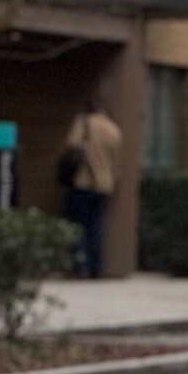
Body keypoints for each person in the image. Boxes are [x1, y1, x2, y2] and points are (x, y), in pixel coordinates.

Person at [63, 99, 123, 279]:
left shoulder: (83, 123)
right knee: (96, 226)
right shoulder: (114, 130)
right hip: (104, 185)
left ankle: (77, 266)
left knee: (76, 226)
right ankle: (96, 268)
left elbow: (71, 145)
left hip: (83, 182)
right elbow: (117, 165)